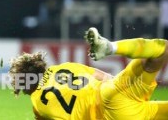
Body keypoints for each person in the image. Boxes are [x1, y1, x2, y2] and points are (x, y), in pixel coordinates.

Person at [9, 27, 168, 119]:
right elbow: (104, 77)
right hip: (112, 94)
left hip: (113, 116)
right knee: (161, 50)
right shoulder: (63, 67)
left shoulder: (37, 104)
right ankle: (111, 48)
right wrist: (130, 91)